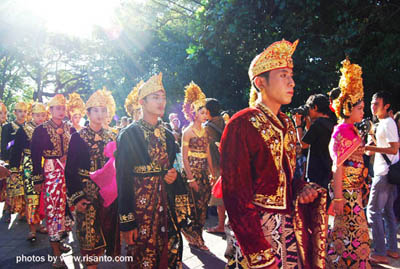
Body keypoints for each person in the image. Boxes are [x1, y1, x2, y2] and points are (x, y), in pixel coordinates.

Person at [221, 39, 327, 269]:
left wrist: (301, 187)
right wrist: (258, 252)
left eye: (291, 75)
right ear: (261, 82)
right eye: (283, 75)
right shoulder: (242, 124)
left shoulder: (287, 124)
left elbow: (286, 176)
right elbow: (235, 197)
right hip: (256, 234)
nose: (292, 82)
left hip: (288, 227)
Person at [116, 73, 185, 268]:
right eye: (155, 97)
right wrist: (127, 222)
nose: (161, 102)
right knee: (142, 257)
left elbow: (175, 167)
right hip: (141, 209)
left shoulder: (169, 135)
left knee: (170, 253)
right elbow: (122, 178)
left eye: (163, 97)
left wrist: (174, 176)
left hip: (167, 207)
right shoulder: (129, 134)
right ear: (142, 102)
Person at [66, 89, 120, 268]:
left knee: (108, 229)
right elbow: (70, 170)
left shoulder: (113, 135)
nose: (100, 114)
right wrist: (77, 197)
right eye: (95, 110)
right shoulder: (77, 137)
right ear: (87, 113)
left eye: (103, 110)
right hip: (86, 190)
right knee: (88, 233)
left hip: (109, 192)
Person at [326, 58, 371, 268]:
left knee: (354, 237)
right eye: (360, 108)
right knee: (352, 237)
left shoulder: (350, 129)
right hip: (347, 195)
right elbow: (338, 166)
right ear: (347, 108)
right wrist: (338, 199)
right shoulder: (342, 130)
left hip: (354, 193)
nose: (363, 112)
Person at [31, 94, 74, 268]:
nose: (61, 111)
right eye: (57, 108)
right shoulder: (41, 130)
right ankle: (56, 254)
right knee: (53, 210)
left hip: (67, 175)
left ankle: (61, 242)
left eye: (63, 108)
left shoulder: (70, 128)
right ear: (50, 111)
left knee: (66, 210)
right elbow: (35, 155)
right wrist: (38, 178)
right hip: (51, 175)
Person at [365, 91, 400, 264]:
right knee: (387, 213)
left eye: (376, 103)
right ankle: (392, 249)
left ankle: (379, 251)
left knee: (373, 212)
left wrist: (374, 148)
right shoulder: (382, 123)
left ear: (386, 106)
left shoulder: (387, 123)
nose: (373, 106)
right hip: (387, 173)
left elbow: (394, 149)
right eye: (372, 102)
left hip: (384, 174)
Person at [181, 81, 215, 251]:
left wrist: (212, 173)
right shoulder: (187, 132)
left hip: (203, 173)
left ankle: (193, 233)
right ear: (194, 114)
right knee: (195, 207)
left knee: (203, 206)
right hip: (192, 173)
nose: (205, 115)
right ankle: (197, 237)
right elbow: (184, 158)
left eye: (205, 112)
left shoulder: (206, 131)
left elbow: (208, 152)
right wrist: (190, 178)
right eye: (202, 112)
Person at [9, 102, 48, 242]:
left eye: (43, 115)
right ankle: (32, 229)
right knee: (31, 196)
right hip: (28, 165)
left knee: (43, 196)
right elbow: (16, 151)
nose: (40, 118)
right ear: (31, 115)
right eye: (37, 115)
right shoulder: (23, 129)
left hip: (45, 165)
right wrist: (13, 170)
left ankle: (39, 224)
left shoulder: (47, 129)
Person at [294, 94, 336, 191]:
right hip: (329, 169)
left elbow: (304, 144)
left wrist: (298, 125)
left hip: (317, 171)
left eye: (309, 108)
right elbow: (312, 135)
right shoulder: (332, 122)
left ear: (315, 107)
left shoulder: (319, 124)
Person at [1, 101, 27, 222]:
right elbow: (4, 145)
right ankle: (8, 210)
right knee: (10, 186)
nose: (22, 114)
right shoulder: (7, 127)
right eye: (20, 111)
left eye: (25, 111)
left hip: (25, 161)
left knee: (24, 187)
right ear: (15, 113)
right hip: (11, 160)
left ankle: (22, 211)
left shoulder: (29, 127)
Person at [203, 98, 226, 234]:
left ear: (208, 111)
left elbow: (209, 152)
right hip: (229, 164)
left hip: (217, 165)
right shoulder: (225, 121)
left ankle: (221, 225)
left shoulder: (207, 127)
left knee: (219, 199)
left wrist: (211, 171)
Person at [0, 102, 9, 217]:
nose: (3, 115)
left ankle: (7, 208)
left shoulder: (6, 127)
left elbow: (7, 145)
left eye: (5, 113)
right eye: (0, 113)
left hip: (4, 159)